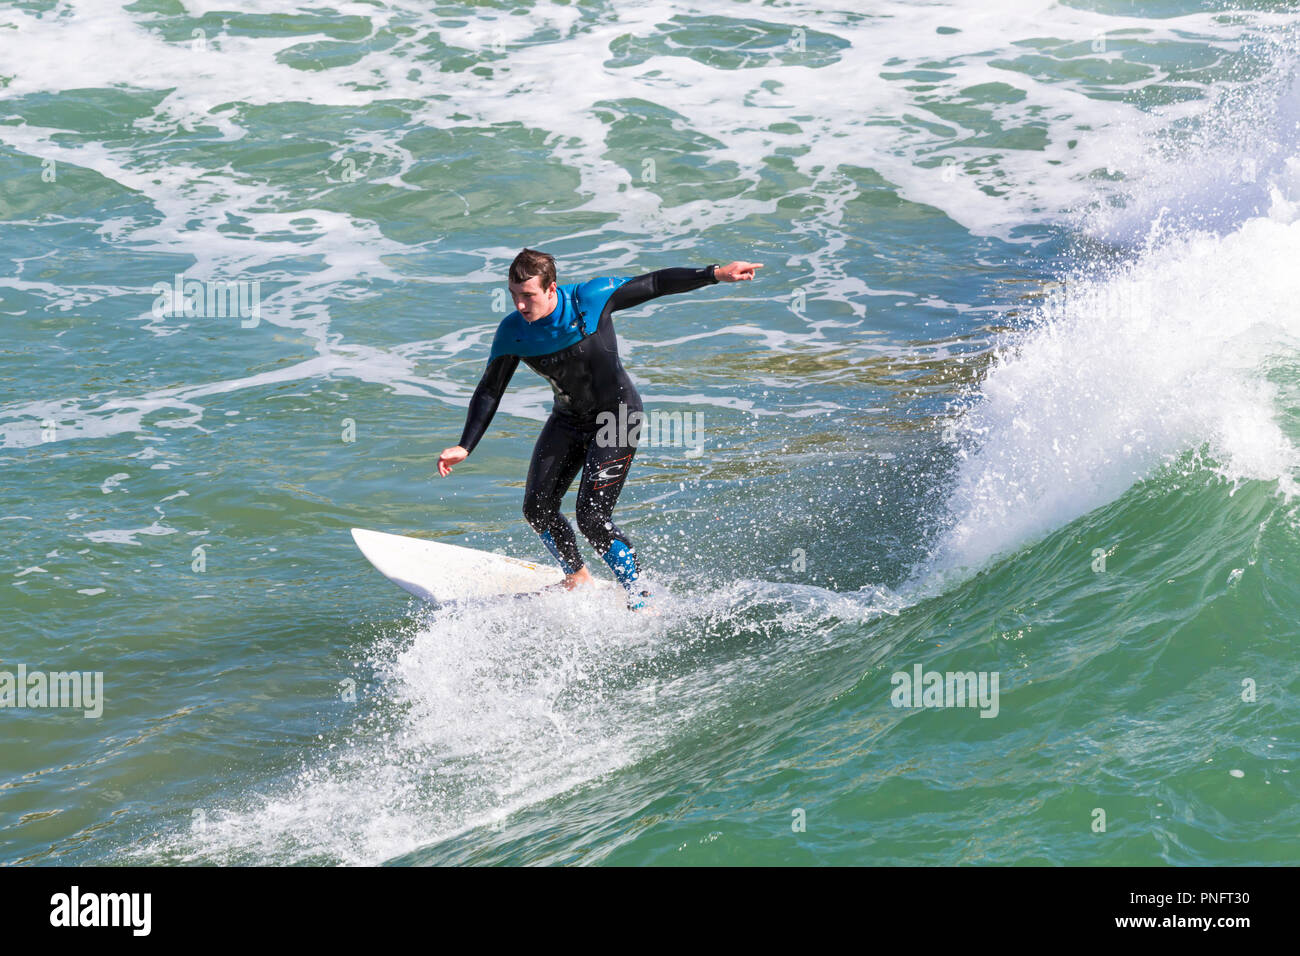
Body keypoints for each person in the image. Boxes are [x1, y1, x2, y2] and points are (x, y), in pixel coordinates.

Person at [437, 249, 762, 610]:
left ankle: (639, 594)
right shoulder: (513, 332)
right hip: (568, 419)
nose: (520, 304)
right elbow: (489, 390)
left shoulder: (588, 299)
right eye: (514, 295)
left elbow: (654, 283)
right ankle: (576, 578)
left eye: (528, 295)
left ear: (551, 288)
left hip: (617, 416)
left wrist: (715, 273)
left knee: (591, 517)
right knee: (537, 508)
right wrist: (465, 445)